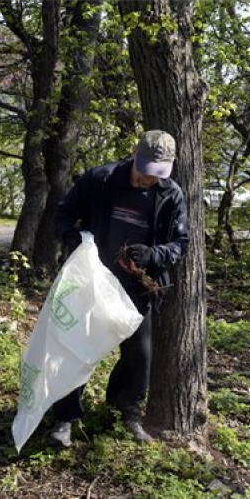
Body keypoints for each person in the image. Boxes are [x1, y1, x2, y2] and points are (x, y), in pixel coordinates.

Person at [49, 130, 189, 446]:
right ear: (134, 157)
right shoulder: (101, 179)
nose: (148, 179)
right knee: (76, 348)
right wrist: (68, 235)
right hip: (91, 281)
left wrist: (155, 255)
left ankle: (126, 412)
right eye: (145, 171)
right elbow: (64, 211)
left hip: (137, 287)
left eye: (157, 174)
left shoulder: (171, 194)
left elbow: (181, 243)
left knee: (139, 355)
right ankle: (64, 418)